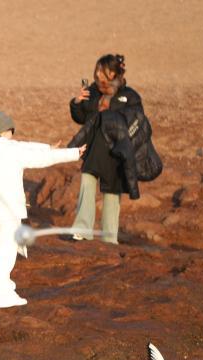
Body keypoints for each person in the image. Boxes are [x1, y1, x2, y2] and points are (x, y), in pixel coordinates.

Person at [0, 108, 84, 309]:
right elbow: (38, 158)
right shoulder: (10, 149)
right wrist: (74, 153)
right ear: (5, 130)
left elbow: (25, 148)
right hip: (8, 209)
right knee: (4, 251)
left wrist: (47, 147)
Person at [67, 54, 142, 244]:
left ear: (114, 73)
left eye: (103, 73)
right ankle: (83, 231)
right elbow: (81, 117)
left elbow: (138, 122)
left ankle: (109, 239)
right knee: (87, 183)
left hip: (116, 153)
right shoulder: (92, 91)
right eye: (97, 73)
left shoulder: (130, 96)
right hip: (94, 149)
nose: (99, 78)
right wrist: (77, 103)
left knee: (112, 194)